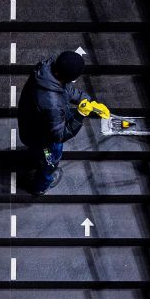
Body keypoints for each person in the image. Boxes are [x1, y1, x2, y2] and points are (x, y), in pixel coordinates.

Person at [17, 51, 110, 196]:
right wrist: (80, 115)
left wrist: (87, 101)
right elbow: (59, 135)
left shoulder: (46, 71)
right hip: (44, 140)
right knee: (49, 162)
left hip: (31, 126)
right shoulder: (51, 104)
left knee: (37, 153)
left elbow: (66, 90)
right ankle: (40, 187)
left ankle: (36, 159)